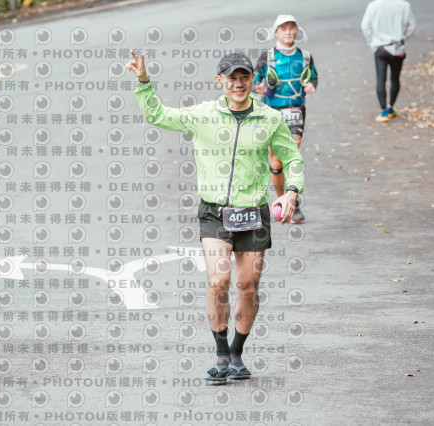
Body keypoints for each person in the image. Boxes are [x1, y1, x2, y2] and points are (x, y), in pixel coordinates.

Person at [126, 50, 305, 382]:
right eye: (231, 78)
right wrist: (144, 81)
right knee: (218, 281)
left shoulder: (269, 118)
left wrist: (291, 190)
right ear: (219, 80)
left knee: (247, 286)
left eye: (244, 77)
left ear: (253, 79)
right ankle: (221, 353)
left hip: (253, 213)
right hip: (215, 212)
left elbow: (292, 158)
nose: (238, 83)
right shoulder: (203, 114)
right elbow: (157, 114)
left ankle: (237, 352)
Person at [254, 14, 317, 222]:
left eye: (292, 28)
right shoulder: (267, 57)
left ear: (297, 31)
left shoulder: (305, 56)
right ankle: (283, 200)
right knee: (275, 162)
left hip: (296, 111)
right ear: (276, 32)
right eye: (284, 28)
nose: (288, 32)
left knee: (290, 154)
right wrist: (259, 87)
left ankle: (290, 200)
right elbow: (255, 81)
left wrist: (311, 85)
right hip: (272, 113)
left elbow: (313, 77)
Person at [361, 0, 417, 123]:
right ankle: (390, 106)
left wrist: (372, 43)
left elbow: (365, 26)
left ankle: (383, 109)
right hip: (398, 48)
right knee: (395, 78)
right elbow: (412, 26)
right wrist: (403, 38)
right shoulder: (404, 5)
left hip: (380, 47)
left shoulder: (373, 6)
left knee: (380, 79)